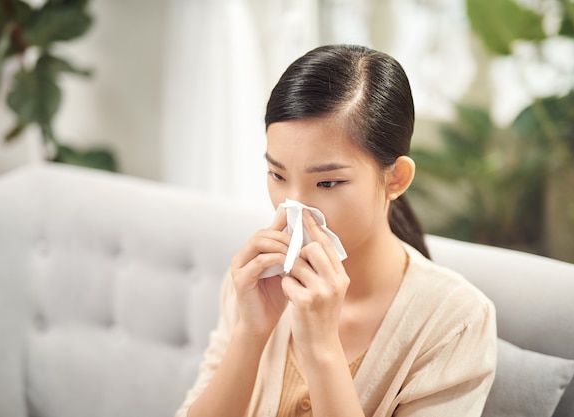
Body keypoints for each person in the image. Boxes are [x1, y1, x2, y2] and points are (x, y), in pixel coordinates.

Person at [175, 44, 496, 417]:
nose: (291, 206)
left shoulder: (457, 321)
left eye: (327, 183)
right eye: (277, 175)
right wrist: (251, 333)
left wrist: (322, 349)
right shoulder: (252, 282)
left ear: (395, 179)